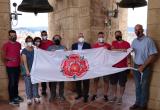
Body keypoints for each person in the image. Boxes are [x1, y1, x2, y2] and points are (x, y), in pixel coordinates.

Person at [130, 24, 158, 110]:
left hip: (146, 66)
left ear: (143, 30)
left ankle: (143, 105)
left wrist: (143, 66)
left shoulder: (149, 41)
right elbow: (132, 51)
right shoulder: (134, 41)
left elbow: (153, 55)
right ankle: (137, 103)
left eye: (139, 29)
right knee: (137, 86)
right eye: (135, 30)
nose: (137, 31)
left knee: (144, 86)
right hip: (135, 66)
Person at [2, 30, 23, 105]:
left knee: (16, 82)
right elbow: (3, 56)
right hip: (10, 67)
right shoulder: (6, 45)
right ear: (9, 36)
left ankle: (16, 96)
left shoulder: (19, 44)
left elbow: (19, 55)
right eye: (12, 35)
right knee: (12, 82)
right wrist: (9, 59)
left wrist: (21, 64)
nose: (14, 36)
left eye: (15, 35)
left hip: (17, 66)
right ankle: (11, 99)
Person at [109, 30, 130, 104]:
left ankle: (120, 97)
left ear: (122, 34)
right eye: (116, 35)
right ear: (115, 36)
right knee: (113, 83)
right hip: (114, 67)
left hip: (123, 67)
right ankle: (114, 96)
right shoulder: (113, 43)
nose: (118, 36)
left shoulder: (127, 44)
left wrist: (129, 63)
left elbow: (129, 54)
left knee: (122, 83)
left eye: (119, 35)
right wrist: (121, 50)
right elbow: (112, 50)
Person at [91, 32, 111, 101]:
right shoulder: (94, 46)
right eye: (100, 37)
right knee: (95, 81)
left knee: (106, 81)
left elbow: (112, 54)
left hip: (105, 66)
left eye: (102, 36)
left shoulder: (108, 45)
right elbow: (92, 56)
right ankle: (94, 94)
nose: (101, 38)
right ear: (97, 37)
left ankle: (105, 94)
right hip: (97, 66)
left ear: (104, 37)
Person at [72, 33, 91, 103]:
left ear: (84, 37)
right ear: (77, 38)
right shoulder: (73, 45)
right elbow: (72, 55)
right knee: (78, 81)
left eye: (82, 36)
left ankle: (85, 96)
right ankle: (79, 94)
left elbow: (90, 54)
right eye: (79, 36)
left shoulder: (88, 45)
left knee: (86, 81)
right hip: (76, 66)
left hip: (85, 65)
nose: (81, 38)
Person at [21, 36, 40, 105]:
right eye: (28, 41)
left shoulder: (35, 49)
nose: (30, 42)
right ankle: (29, 98)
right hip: (27, 70)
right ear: (26, 42)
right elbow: (24, 62)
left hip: (35, 70)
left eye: (31, 41)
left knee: (35, 83)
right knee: (28, 84)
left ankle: (36, 97)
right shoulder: (24, 51)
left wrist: (37, 49)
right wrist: (27, 70)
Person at [47, 35, 66, 101]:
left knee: (61, 82)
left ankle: (61, 95)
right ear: (53, 40)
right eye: (55, 39)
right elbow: (46, 56)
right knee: (53, 82)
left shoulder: (64, 47)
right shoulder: (50, 48)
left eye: (58, 38)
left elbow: (67, 56)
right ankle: (53, 95)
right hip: (53, 68)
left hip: (61, 68)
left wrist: (67, 51)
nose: (57, 39)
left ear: (60, 39)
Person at [39, 30, 54, 96]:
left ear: (47, 35)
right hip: (42, 62)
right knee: (43, 77)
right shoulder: (39, 43)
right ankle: (44, 90)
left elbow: (54, 50)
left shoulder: (51, 42)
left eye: (45, 34)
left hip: (50, 62)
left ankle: (51, 89)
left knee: (50, 76)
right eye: (43, 35)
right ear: (41, 36)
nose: (44, 36)